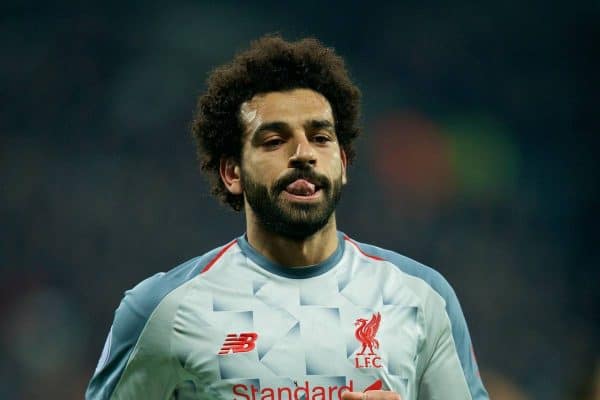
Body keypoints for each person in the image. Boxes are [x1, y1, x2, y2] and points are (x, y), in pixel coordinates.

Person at [86, 35, 489, 400]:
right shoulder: (162, 309)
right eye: (275, 140)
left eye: (321, 137)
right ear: (232, 173)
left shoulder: (422, 296)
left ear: (343, 164)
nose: (303, 153)